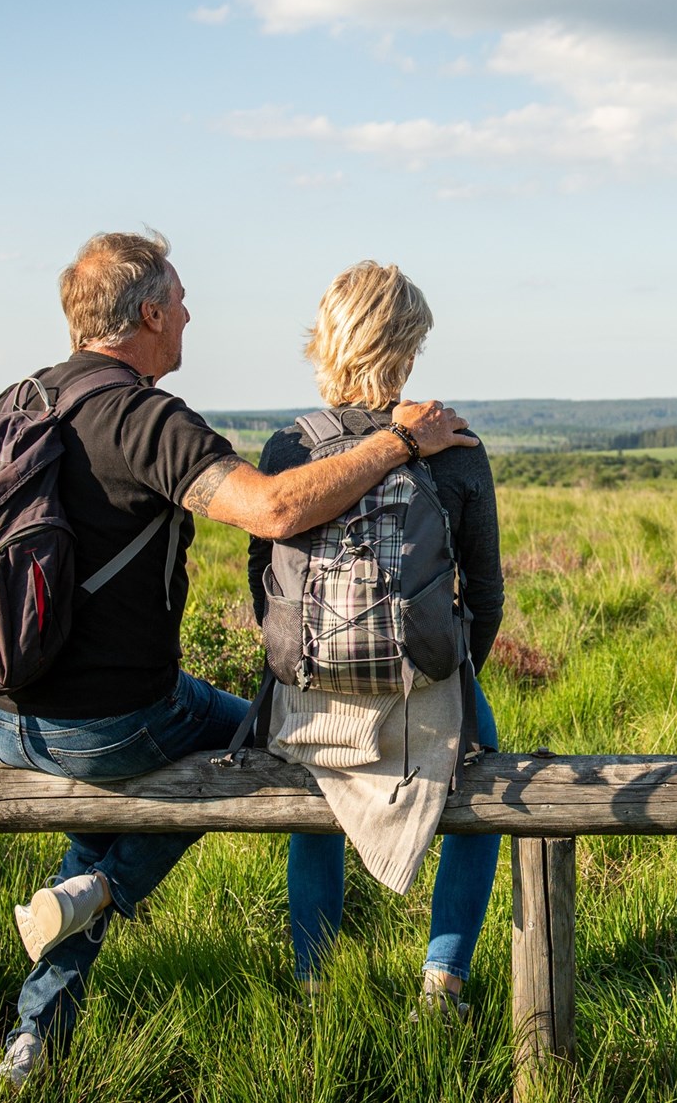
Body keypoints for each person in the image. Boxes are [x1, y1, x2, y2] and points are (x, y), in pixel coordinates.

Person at [0, 231, 476, 1086]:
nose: (193, 315)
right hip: (104, 724)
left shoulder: (16, 402)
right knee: (250, 739)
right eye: (183, 299)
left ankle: (36, 1036)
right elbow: (274, 511)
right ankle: (103, 894)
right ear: (151, 312)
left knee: (106, 815)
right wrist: (399, 441)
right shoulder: (144, 419)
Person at [247, 261, 505, 1019]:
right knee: (489, 792)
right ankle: (443, 981)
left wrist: (299, 658)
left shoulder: (288, 449)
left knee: (315, 800)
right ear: (406, 346)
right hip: (422, 683)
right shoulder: (454, 446)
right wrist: (451, 675)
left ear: (329, 340)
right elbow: (484, 592)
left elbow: (266, 578)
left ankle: (315, 989)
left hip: (309, 686)